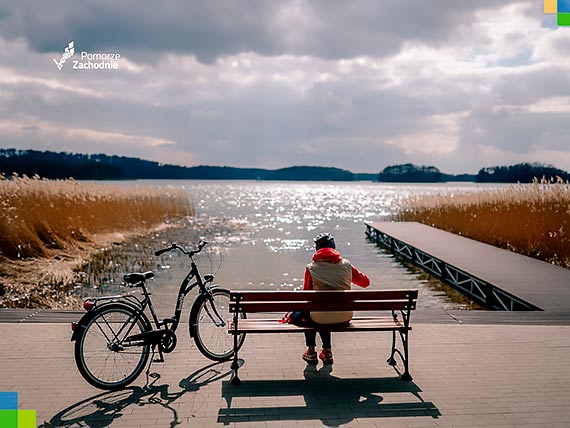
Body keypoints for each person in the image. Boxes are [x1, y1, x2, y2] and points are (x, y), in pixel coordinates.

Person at [302, 232, 370, 365]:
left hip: (319, 317)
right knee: (323, 310)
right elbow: (365, 283)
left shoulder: (311, 268)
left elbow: (306, 295)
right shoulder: (346, 265)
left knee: (312, 311)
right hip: (345, 316)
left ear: (317, 249)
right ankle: (327, 352)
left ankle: (311, 351)